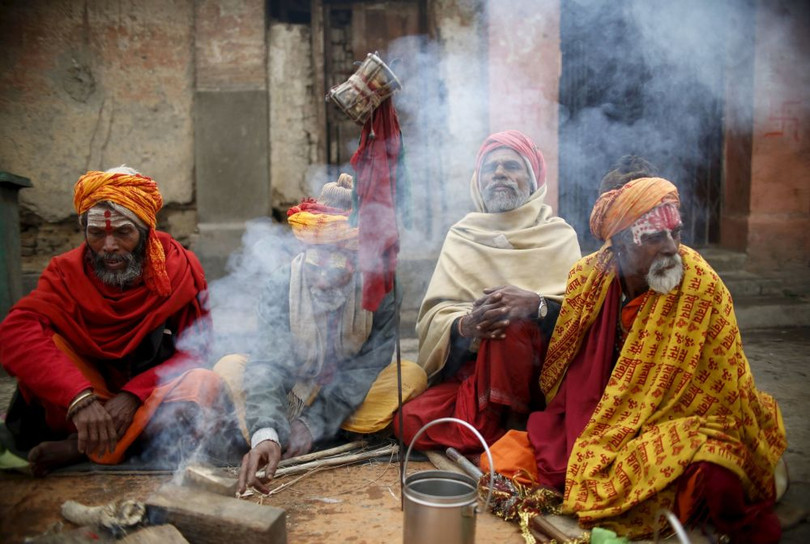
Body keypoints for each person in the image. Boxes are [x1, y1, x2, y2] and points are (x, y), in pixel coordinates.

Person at [484, 166, 787, 541]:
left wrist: (642, 423)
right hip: (601, 418)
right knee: (504, 460)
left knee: (719, 476)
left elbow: (725, 393)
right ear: (622, 242)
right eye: (656, 237)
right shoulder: (588, 279)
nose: (672, 248)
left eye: (676, 233)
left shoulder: (701, 285)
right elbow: (567, 372)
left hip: (676, 421)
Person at [0, 166, 236, 475]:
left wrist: (133, 395)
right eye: (97, 234)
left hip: (149, 399)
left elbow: (195, 350)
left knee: (204, 385)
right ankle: (106, 442)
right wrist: (79, 399)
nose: (109, 247)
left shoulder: (179, 268)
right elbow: (15, 330)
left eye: (123, 233)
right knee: (43, 347)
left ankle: (80, 447)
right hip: (84, 400)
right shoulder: (64, 271)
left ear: (147, 232)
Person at [231, 174, 426, 495]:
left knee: (411, 375)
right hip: (292, 390)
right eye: (315, 265)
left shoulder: (382, 288)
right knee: (232, 368)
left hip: (347, 393)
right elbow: (268, 363)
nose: (322, 281)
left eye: (336, 270)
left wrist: (312, 423)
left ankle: (318, 428)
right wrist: (266, 433)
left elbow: (367, 368)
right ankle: (272, 435)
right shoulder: (282, 283)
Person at [393, 130, 581, 451]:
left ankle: (515, 429)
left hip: (543, 382)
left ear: (533, 179)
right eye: (489, 168)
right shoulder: (462, 235)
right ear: (478, 180)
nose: (499, 174)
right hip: (479, 380)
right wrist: (467, 325)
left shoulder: (558, 235)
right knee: (406, 420)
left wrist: (536, 306)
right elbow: (434, 317)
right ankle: (510, 439)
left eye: (511, 166)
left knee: (513, 323)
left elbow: (582, 315)